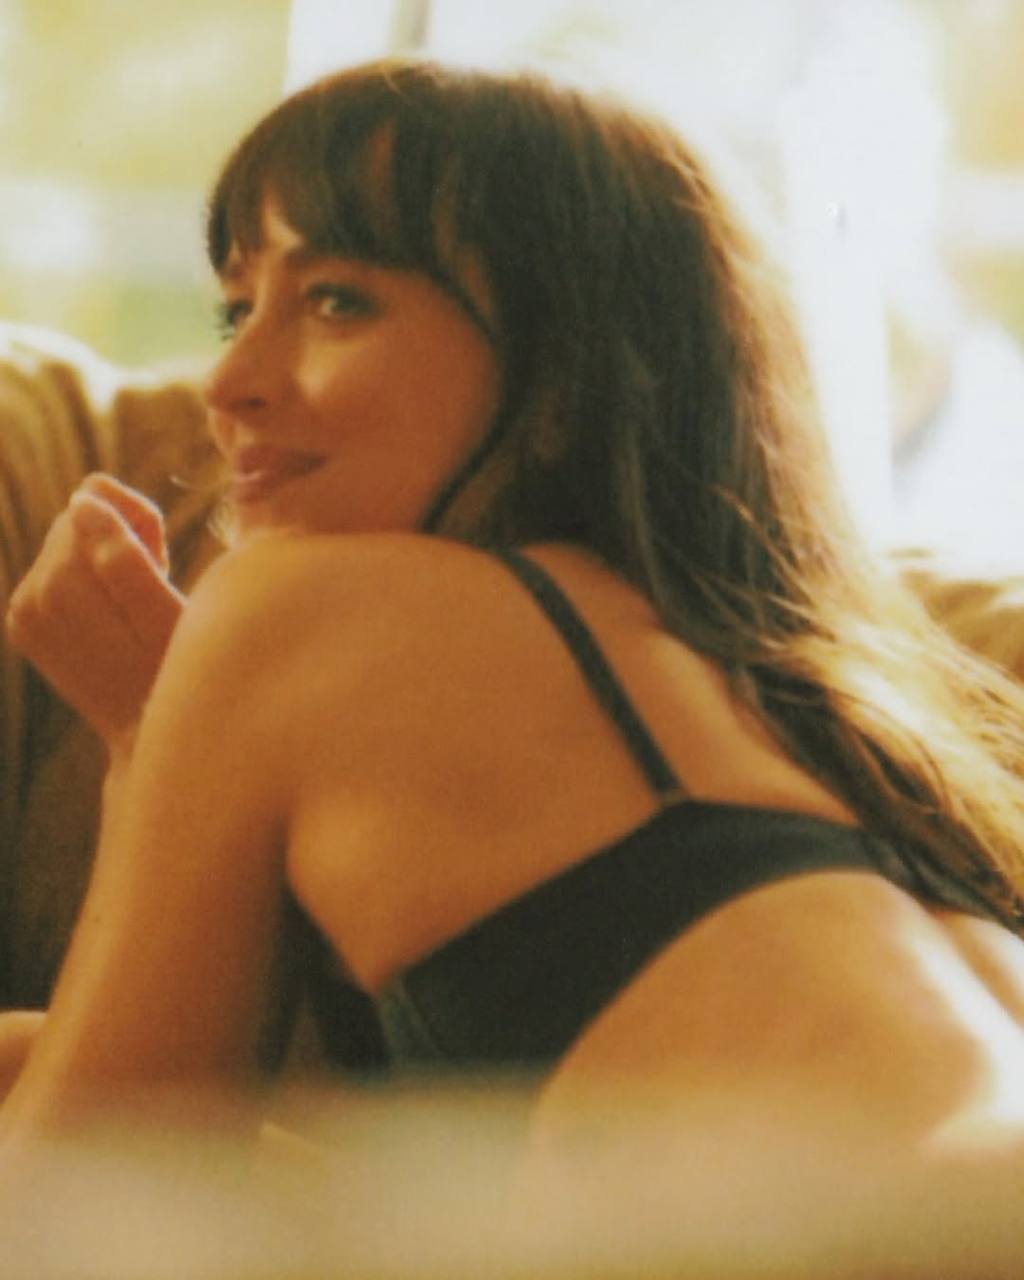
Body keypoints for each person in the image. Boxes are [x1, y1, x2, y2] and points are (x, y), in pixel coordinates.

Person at [2, 57, 1024, 1182]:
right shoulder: (812, 721)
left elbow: (86, 1191)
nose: (229, 379)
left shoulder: (297, 612)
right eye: (237, 308)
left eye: (336, 300)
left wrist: (153, 752)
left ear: (567, 369)